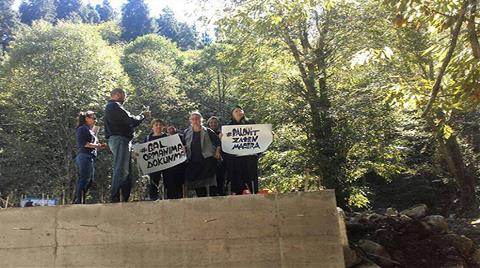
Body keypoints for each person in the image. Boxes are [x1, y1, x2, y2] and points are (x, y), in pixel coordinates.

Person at [104, 88, 150, 202]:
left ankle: (124, 197)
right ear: (118, 94)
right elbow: (131, 120)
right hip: (120, 139)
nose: (125, 98)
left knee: (126, 170)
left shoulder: (113, 107)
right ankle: (114, 198)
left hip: (122, 140)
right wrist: (142, 115)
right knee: (121, 169)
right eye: (124, 95)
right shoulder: (114, 106)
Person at [183, 111, 221, 197]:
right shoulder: (186, 132)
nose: (195, 120)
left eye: (197, 119)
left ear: (201, 120)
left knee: (211, 183)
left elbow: (218, 142)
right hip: (193, 162)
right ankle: (202, 201)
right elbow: (183, 144)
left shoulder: (208, 131)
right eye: (193, 119)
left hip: (208, 160)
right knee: (199, 184)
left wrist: (217, 152)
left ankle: (214, 201)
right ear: (190, 121)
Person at [144, 119, 184, 200]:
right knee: (154, 181)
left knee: (169, 181)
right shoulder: (148, 138)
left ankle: (170, 199)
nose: (158, 126)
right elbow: (144, 151)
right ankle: (153, 199)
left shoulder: (168, 137)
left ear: (163, 127)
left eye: (160, 125)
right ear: (152, 127)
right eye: (156, 125)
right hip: (154, 164)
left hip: (167, 164)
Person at [224, 105, 259, 195]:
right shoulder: (228, 126)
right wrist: (222, 137)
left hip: (249, 158)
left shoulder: (251, 122)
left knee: (251, 179)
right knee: (238, 180)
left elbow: (259, 134)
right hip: (235, 159)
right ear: (232, 114)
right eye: (236, 111)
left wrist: (267, 133)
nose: (239, 112)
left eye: (240, 110)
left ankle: (254, 196)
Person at [74, 111, 107, 204]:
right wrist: (98, 146)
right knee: (84, 178)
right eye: (93, 118)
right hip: (84, 156)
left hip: (90, 156)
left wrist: (99, 146)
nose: (95, 120)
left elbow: (92, 145)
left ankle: (81, 200)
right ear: (86, 118)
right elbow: (84, 144)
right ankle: (78, 201)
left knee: (90, 180)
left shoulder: (90, 130)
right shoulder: (82, 129)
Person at [207, 116, 227, 196]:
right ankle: (212, 193)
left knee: (221, 175)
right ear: (208, 124)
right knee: (211, 177)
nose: (213, 124)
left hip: (220, 158)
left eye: (215, 122)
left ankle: (221, 191)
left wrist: (222, 139)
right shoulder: (205, 133)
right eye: (211, 122)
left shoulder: (221, 133)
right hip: (209, 158)